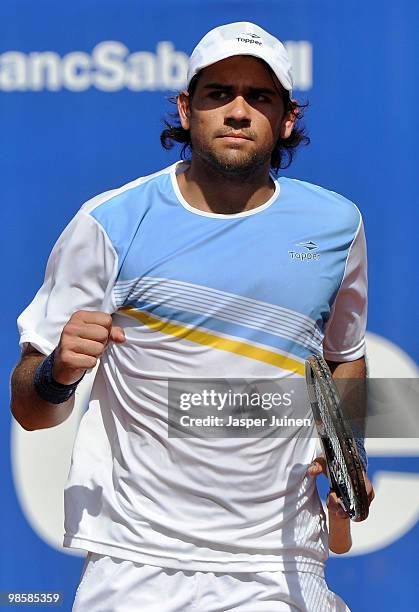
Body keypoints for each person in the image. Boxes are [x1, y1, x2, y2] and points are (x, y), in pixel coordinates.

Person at [11, 21, 374, 612]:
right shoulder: (109, 222)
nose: (237, 111)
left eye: (259, 97)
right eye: (218, 94)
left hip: (278, 562)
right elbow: (29, 408)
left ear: (287, 119)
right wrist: (56, 372)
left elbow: (344, 362)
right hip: (134, 560)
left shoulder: (338, 226)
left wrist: (346, 450)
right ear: (186, 109)